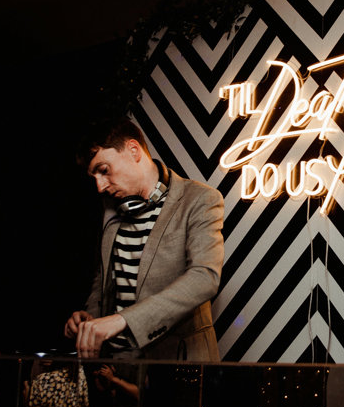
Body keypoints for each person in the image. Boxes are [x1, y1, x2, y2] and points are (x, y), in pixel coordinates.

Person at [63, 118, 224, 361]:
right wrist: (91, 318)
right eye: (94, 176)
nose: (99, 186)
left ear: (134, 150)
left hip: (177, 363)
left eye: (104, 170)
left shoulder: (200, 199)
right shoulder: (110, 207)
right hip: (116, 367)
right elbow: (105, 276)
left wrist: (124, 320)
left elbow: (204, 278)